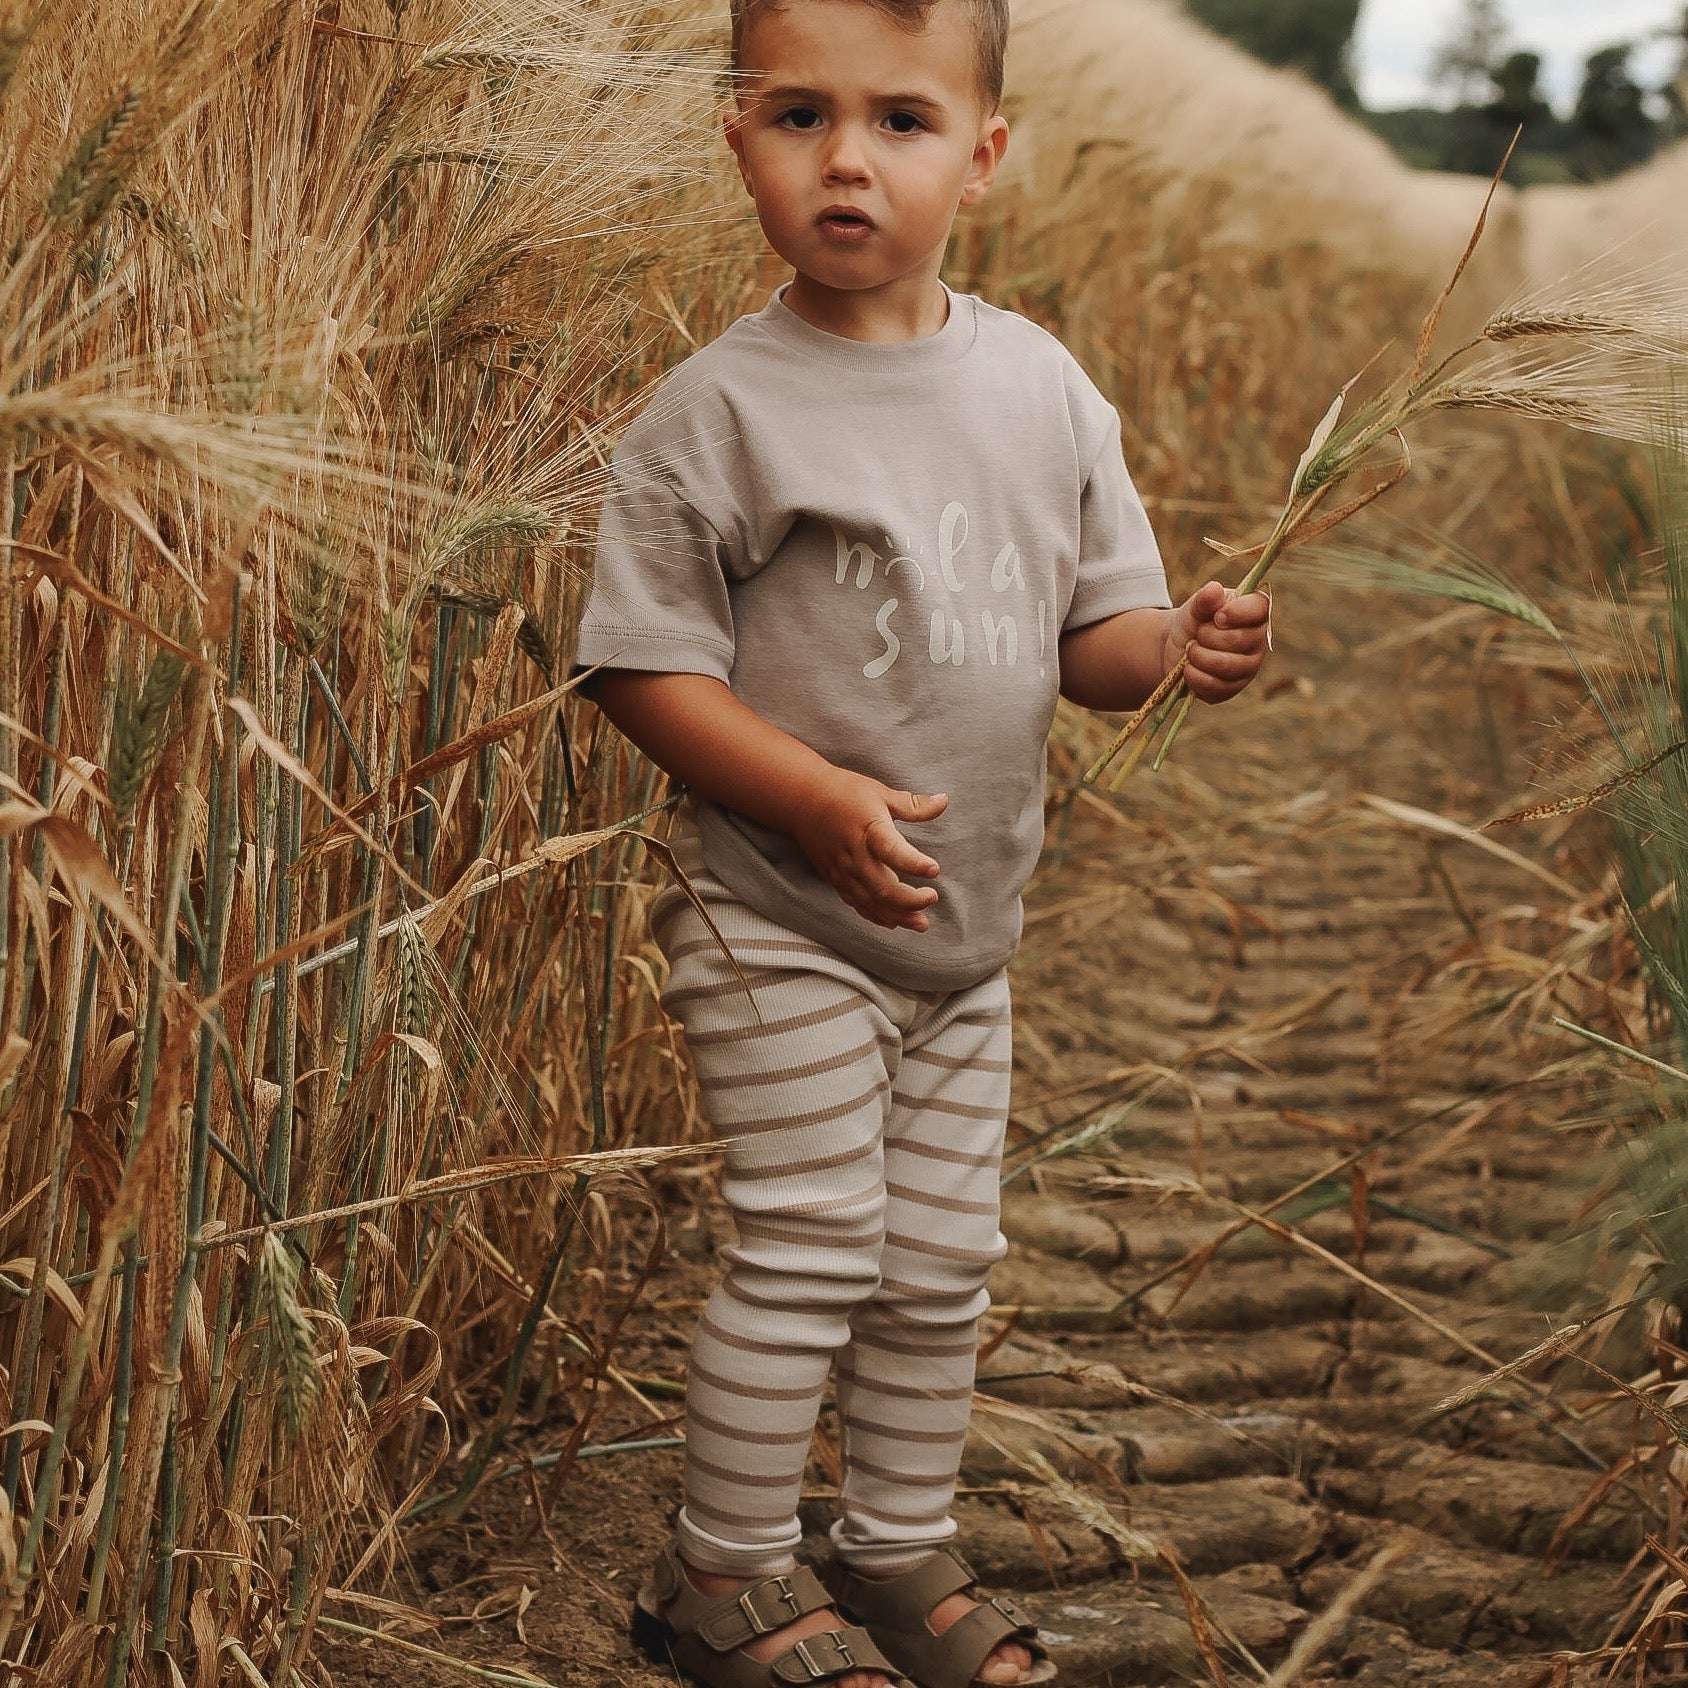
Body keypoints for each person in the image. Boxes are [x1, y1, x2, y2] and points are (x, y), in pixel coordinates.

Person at [569, 0, 1272, 1680]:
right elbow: (638, 668)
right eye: (797, 115)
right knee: (814, 1236)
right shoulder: (718, 414)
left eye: (899, 121)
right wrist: (808, 801)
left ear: (986, 153)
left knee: (944, 1263)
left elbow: (1091, 646)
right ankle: (722, 1575)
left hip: (966, 944)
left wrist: (1182, 646)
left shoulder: (1040, 388)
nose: (847, 162)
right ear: (736, 135)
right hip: (777, 914)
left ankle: (892, 1550)